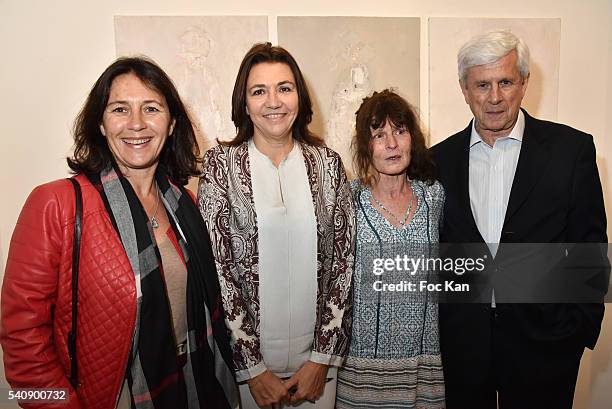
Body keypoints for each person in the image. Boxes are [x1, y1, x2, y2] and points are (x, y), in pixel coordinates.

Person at [1, 57, 238, 409]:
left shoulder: (183, 202)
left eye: (152, 108)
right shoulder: (56, 205)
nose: (137, 124)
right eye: (120, 109)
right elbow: (20, 343)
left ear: (171, 123)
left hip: (194, 386)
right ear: (100, 122)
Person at [432, 30, 608, 408]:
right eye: (482, 84)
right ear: (464, 88)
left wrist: (577, 332)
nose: (494, 97)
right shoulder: (436, 162)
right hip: (462, 350)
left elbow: (590, 250)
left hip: (547, 349)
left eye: (506, 82)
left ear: (524, 83)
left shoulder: (571, 151)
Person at [198, 42, 355, 409]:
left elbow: (344, 265)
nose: (273, 102)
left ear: (298, 96)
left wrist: (321, 360)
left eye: (284, 88)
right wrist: (252, 369)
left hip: (317, 372)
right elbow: (218, 271)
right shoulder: (221, 167)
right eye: (259, 91)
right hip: (250, 376)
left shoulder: (328, 165)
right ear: (245, 102)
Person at [335, 89, 446, 408]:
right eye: (379, 135)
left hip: (422, 371)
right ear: (365, 146)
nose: (393, 144)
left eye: (400, 131)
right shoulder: (349, 201)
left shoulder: (434, 197)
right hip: (362, 373)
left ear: (413, 137)